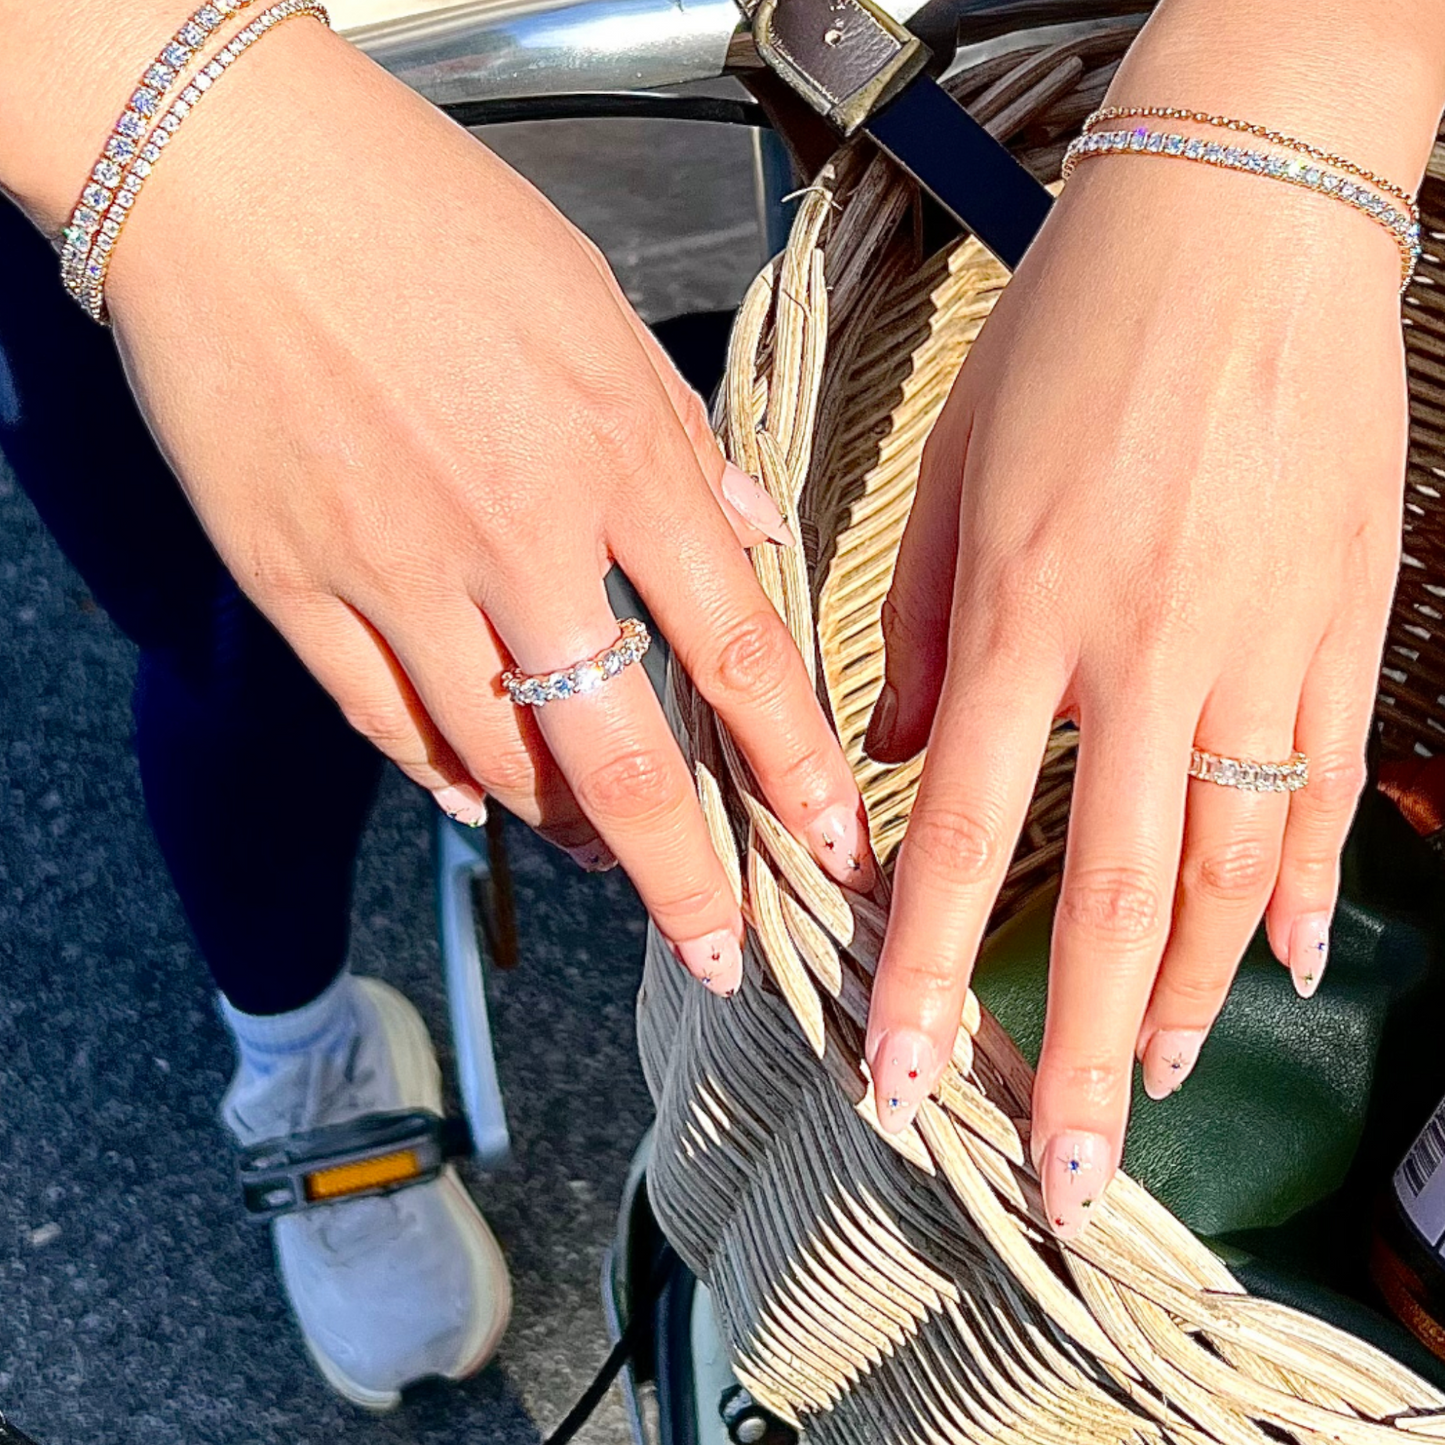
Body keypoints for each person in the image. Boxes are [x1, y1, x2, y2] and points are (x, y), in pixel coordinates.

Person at [0, 0, 1440, 1407]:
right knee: (257, 655)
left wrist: (1306, 63)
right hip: (218, 120)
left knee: (841, 541)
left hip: (959, 91)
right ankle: (294, 1036)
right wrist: (144, 90)